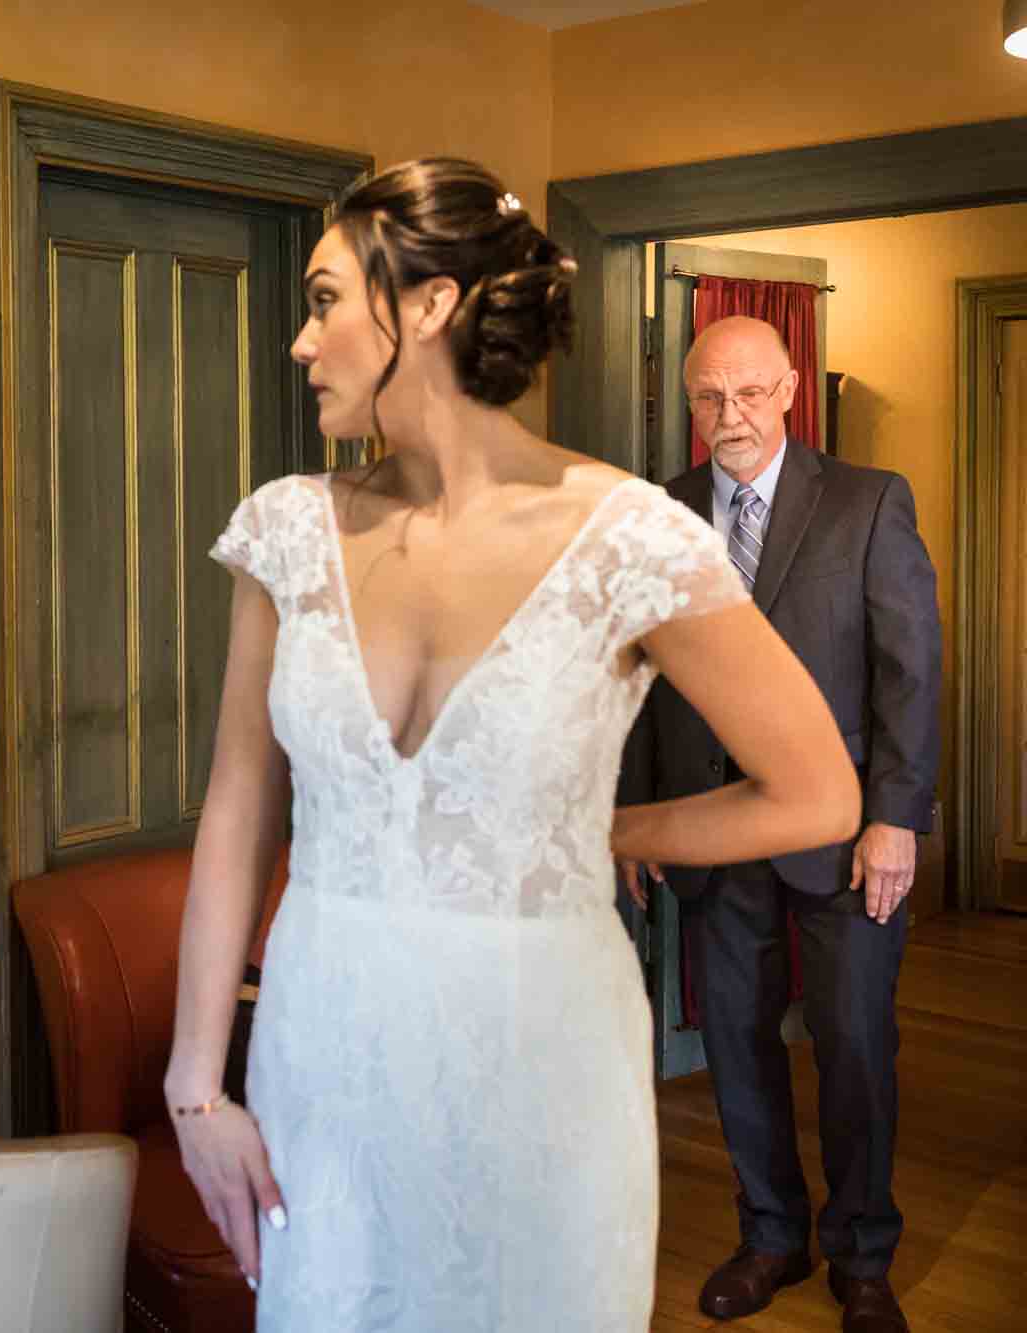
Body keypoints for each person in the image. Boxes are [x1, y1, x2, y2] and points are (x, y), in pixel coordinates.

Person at [163, 158, 862, 1332]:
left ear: (425, 306)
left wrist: (600, 830)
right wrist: (194, 1084)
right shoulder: (285, 529)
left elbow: (816, 793)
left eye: (326, 298)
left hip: (542, 1055)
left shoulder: (627, 537)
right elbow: (236, 806)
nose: (301, 338)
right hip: (323, 1047)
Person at [618, 315, 940, 1333]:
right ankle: (769, 1237)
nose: (730, 415)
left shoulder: (865, 502)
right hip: (710, 835)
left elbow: (909, 673)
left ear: (790, 388)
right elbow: (629, 675)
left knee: (851, 1043)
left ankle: (860, 1254)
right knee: (738, 1044)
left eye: (749, 392)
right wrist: (636, 822)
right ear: (687, 402)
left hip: (841, 834)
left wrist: (894, 816)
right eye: (708, 395)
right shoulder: (657, 514)